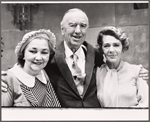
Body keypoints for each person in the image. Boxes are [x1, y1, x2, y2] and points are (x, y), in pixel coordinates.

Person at [1, 8, 149, 108]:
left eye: (83, 25)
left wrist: (139, 72)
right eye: (72, 25)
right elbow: (29, 64)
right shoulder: (49, 55)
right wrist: (5, 77)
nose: (78, 30)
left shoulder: (95, 55)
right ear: (62, 29)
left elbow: (116, 68)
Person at [1, 29, 61, 107]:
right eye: (33, 51)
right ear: (23, 54)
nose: (39, 58)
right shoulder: (7, 80)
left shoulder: (44, 74)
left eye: (44, 52)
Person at [96, 26, 148, 107]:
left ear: (122, 47)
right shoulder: (97, 73)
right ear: (101, 49)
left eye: (116, 45)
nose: (111, 50)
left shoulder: (137, 71)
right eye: (106, 46)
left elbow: (146, 105)